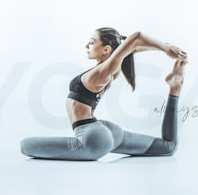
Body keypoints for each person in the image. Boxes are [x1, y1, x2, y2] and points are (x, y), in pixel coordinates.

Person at [20, 27, 187, 161]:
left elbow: (136, 37)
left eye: (92, 42)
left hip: (92, 138)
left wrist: (166, 48)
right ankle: (175, 87)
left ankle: (175, 85)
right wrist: (166, 46)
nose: (87, 45)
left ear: (106, 49)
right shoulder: (109, 71)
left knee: (25, 145)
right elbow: (133, 47)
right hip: (106, 131)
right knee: (168, 146)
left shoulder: (102, 73)